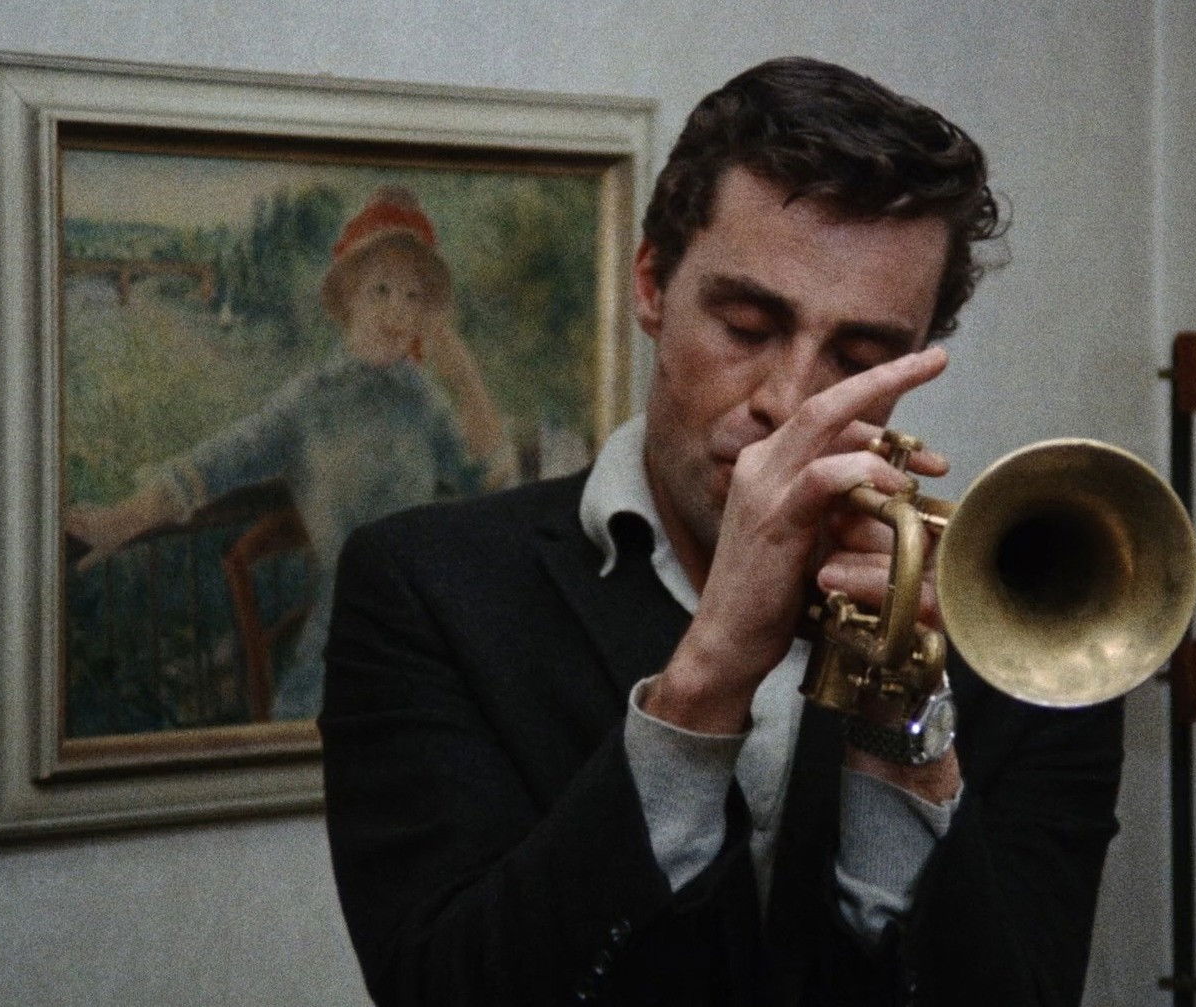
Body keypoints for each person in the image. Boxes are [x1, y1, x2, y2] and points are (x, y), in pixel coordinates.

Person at [320, 58, 1123, 1006]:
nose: (790, 400)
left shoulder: (1027, 639)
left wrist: (905, 742)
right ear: (652, 285)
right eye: (747, 325)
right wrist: (705, 681)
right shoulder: (422, 586)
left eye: (860, 356)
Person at [68, 185, 512, 720]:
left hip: (431, 639)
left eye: (415, 297)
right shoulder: (310, 400)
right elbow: (219, 461)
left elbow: (492, 485)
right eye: (381, 290)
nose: (398, 311)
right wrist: (123, 518)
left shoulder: (420, 396)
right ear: (348, 298)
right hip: (348, 641)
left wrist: (462, 372)